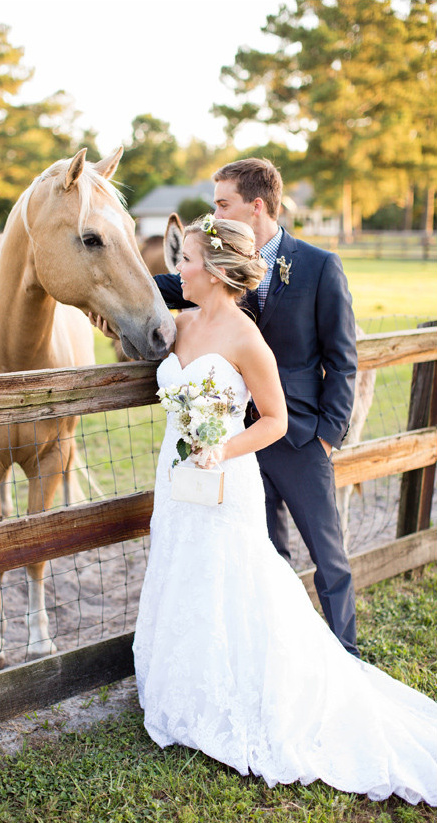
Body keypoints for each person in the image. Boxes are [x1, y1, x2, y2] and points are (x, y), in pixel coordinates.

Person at [132, 216, 437, 804]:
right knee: (182, 570)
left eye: (188, 261)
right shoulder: (179, 323)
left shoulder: (248, 339)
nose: (178, 271)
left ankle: (247, 693)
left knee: (237, 579)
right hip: (176, 480)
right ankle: (185, 689)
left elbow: (273, 420)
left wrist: (221, 448)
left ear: (216, 270)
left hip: (225, 476)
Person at [154, 158, 359, 657]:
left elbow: (343, 359)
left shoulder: (317, 265)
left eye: (223, 203)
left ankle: (347, 657)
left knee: (329, 559)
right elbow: (157, 290)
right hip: (232, 446)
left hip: (299, 437)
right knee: (263, 558)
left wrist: (327, 435)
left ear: (257, 206)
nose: (215, 211)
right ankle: (274, 656)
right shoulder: (211, 269)